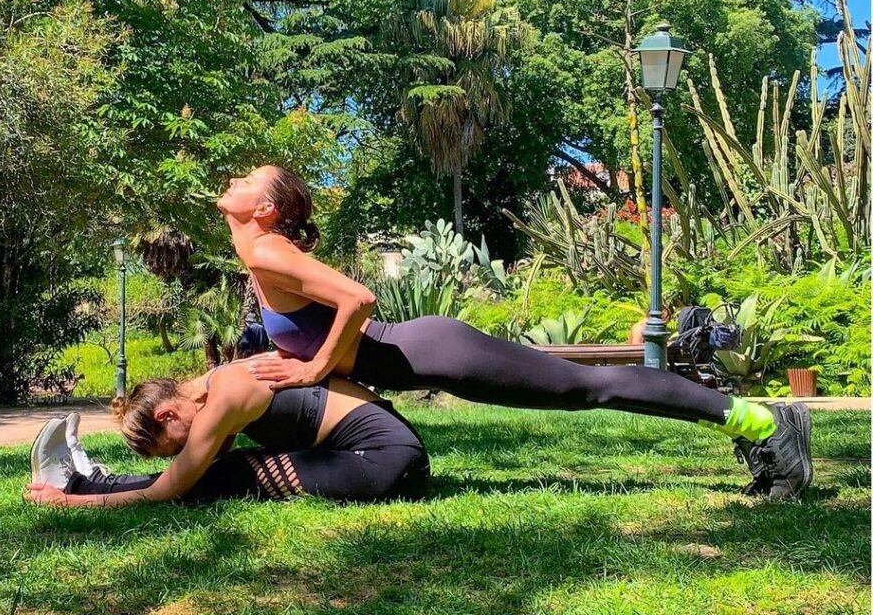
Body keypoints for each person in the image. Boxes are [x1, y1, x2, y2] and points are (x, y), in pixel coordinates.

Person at [214, 165, 813, 501]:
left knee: (587, 388)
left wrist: (316, 369)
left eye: (248, 180)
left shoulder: (267, 251)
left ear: (265, 210)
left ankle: (763, 425)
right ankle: (761, 427)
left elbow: (359, 298)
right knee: (584, 388)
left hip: (437, 350)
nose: (234, 180)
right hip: (427, 354)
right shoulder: (263, 255)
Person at [24, 360, 429, 508]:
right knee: (224, 470)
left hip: (384, 460)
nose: (179, 452)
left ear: (167, 413)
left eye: (173, 445)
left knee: (231, 476)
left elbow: (170, 488)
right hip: (389, 453)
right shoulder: (215, 383)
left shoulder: (225, 395)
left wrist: (71, 503)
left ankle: (85, 484)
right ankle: (94, 480)